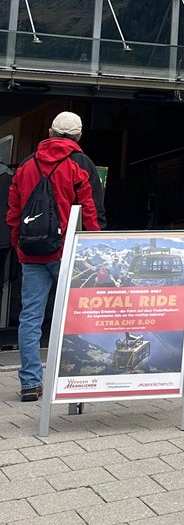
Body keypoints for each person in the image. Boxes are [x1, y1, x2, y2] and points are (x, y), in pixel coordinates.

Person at [8, 112, 102, 402]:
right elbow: (91, 211)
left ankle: (29, 383)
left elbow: (13, 214)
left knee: (30, 319)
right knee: (75, 316)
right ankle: (74, 381)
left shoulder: (26, 164)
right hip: (67, 254)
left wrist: (21, 248)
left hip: (31, 253)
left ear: (50, 131)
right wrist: (93, 249)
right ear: (78, 136)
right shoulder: (81, 164)